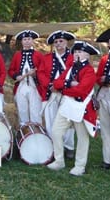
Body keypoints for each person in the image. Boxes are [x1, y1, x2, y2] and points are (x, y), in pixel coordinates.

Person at [47, 41, 100, 176]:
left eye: (80, 52)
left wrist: (63, 90)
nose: (76, 53)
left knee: (82, 138)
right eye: (75, 51)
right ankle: (59, 161)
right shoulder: (70, 68)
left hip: (81, 108)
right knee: (56, 132)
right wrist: (69, 83)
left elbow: (81, 91)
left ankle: (80, 166)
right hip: (67, 106)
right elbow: (57, 82)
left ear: (87, 56)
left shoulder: (89, 71)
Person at [39, 30, 76, 159]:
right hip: (51, 93)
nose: (59, 43)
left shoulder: (73, 58)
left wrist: (61, 86)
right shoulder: (47, 58)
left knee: (68, 121)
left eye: (61, 41)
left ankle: (69, 147)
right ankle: (53, 146)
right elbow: (41, 73)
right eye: (56, 42)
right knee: (50, 120)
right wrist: (50, 85)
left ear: (66, 42)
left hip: (66, 93)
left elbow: (75, 75)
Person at [8, 29, 44, 125]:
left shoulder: (39, 55)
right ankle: (24, 134)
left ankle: (36, 133)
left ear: (32, 41)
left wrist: (35, 74)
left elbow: (44, 71)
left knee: (35, 111)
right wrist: (16, 76)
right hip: (21, 86)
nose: (27, 41)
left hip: (35, 87)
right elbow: (10, 70)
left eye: (29, 39)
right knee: (22, 111)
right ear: (22, 41)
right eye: (25, 39)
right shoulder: (17, 55)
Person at [95, 28, 110, 169]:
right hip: (104, 94)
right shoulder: (105, 59)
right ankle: (107, 159)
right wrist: (102, 79)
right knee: (105, 129)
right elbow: (98, 77)